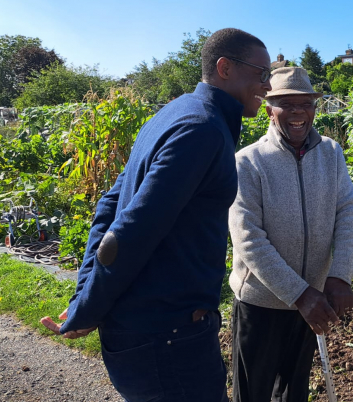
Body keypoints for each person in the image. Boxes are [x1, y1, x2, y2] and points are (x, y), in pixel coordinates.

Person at [40, 28, 273, 402]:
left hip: (147, 332)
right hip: (166, 338)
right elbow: (131, 231)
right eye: (261, 73)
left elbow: (110, 206)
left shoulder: (176, 112)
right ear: (225, 67)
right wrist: (86, 308)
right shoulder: (204, 129)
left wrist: (85, 296)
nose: (267, 85)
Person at [228, 66, 353, 402]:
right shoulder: (248, 162)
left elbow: (347, 211)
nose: (299, 112)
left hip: (311, 302)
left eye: (306, 103)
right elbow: (248, 238)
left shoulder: (331, 154)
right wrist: (300, 294)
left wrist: (340, 275)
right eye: (287, 104)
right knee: (253, 393)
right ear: (270, 109)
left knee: (294, 391)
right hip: (261, 302)